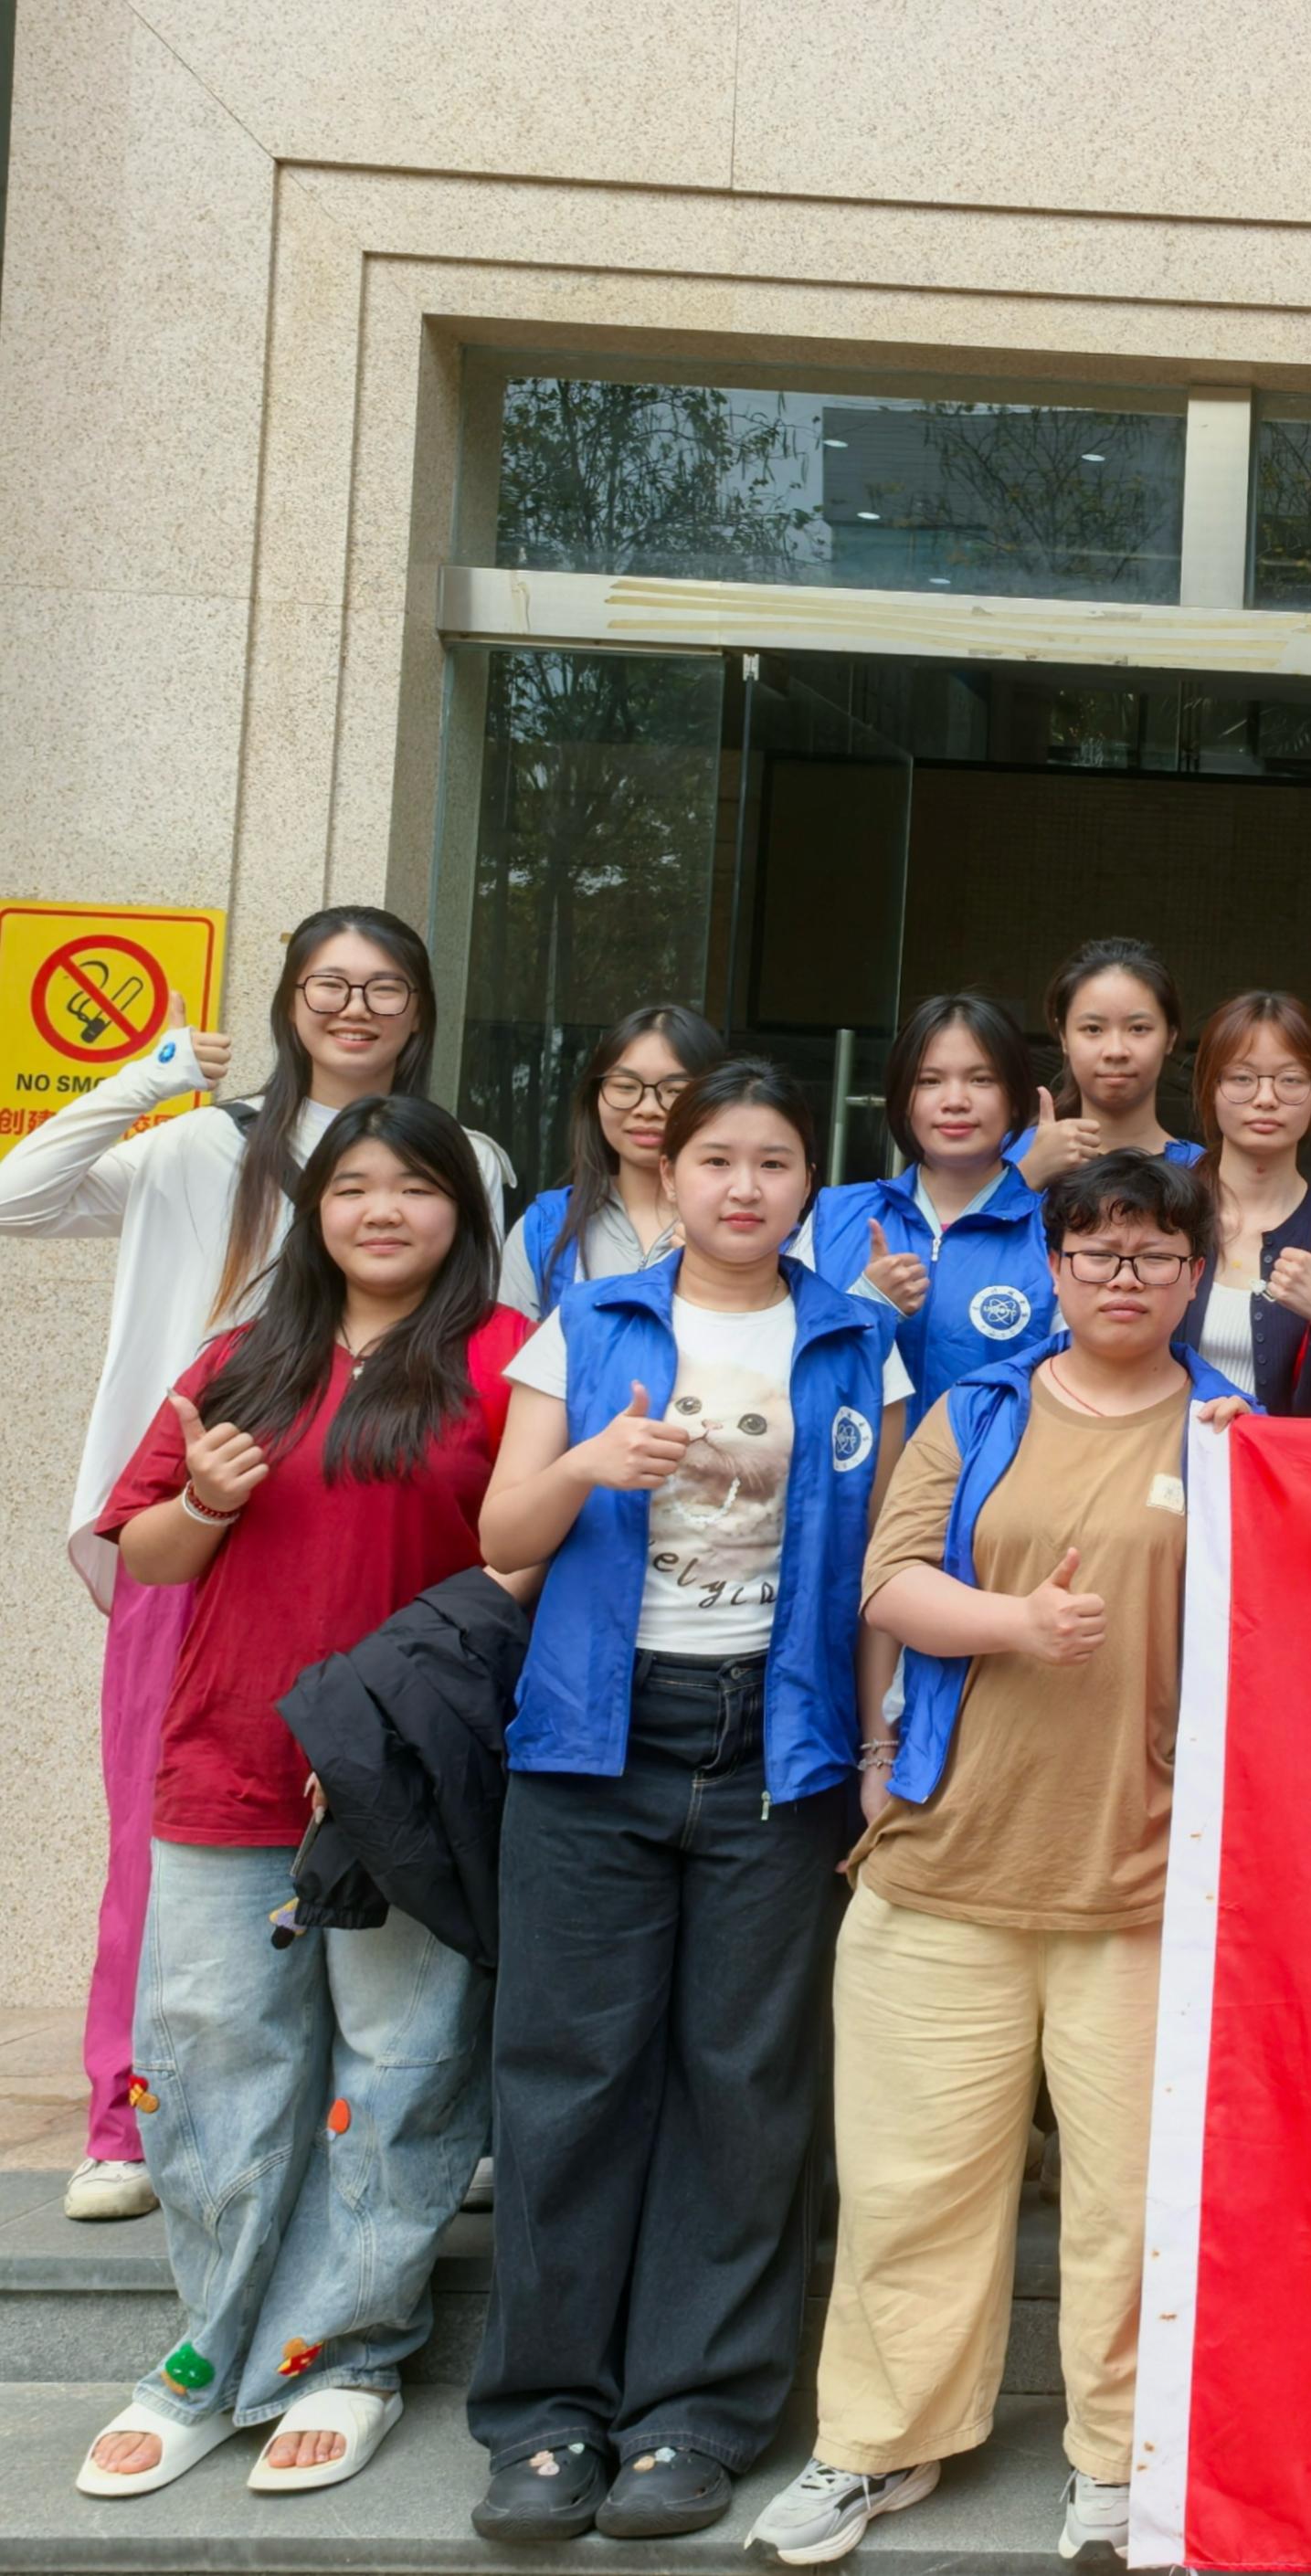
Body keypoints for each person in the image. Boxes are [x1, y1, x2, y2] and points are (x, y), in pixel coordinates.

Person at [749, 1154, 1251, 2571]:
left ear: (1193, 1277)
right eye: (1096, 1252)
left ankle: (1118, 2459)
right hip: (944, 1863)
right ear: (1053, 1267)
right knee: (910, 2184)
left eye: (1154, 1255)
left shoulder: (1235, 1436)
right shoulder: (977, 1409)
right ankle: (877, 2442)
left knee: (1128, 2204)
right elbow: (889, 1582)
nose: (1123, 1278)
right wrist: (1014, 1624)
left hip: (1140, 1884)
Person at [0, 906, 509, 2225]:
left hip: (381, 1522)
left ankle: (367, 2128)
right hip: (201, 1521)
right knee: (169, 1828)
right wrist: (154, 1075)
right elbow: (18, 1196)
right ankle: (124, 2118)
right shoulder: (201, 1146)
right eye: (329, 984)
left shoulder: (460, 1161)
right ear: (288, 1000)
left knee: (391, 1817)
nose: (355, 1008)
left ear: (419, 1009)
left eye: (384, 987)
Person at [467, 1060, 912, 2544]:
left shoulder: (857, 1339)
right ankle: (545, 2419)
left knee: (745, 2085)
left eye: (774, 1162)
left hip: (778, 1748)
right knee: (570, 2077)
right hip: (595, 1738)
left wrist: (870, 1748)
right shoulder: (589, 1323)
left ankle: (694, 2416)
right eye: (717, 1159)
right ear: (670, 1173)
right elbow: (501, 1534)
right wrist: (590, 1465)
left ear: (809, 1184)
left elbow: (876, 1573)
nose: (743, 1187)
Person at [70, 1098, 527, 2500]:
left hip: (408, 1782)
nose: (383, 1211)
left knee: (397, 2072)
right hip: (229, 1765)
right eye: (354, 1187)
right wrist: (206, 1498)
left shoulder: (508, 1359)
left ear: (463, 1215)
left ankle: (346, 2355)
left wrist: (377, 1720)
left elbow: (528, 1560)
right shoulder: (240, 1359)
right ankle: (206, 2352)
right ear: (315, 1212)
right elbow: (149, 1555)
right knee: (213, 2068)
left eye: (416, 1187)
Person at [816, 994, 1057, 1406]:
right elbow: (787, 1369)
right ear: (902, 1100)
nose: (955, 1101)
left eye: (981, 1079)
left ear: (1016, 1099)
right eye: (929, 1081)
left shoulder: (1059, 1231)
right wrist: (868, 1304)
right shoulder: (834, 1215)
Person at [1175, 989, 1311, 1417]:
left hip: (1280, 1460)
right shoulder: (1163, 1212)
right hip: (1159, 1453)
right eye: (1242, 1078)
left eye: (1290, 1080)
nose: (1266, 1098)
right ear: (1210, 1088)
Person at [501, 1005, 724, 1321]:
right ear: (595, 1096)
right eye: (625, 1087)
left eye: (675, 1090)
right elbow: (510, 1350)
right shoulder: (543, 1228)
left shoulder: (754, 1229)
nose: (648, 1108)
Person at [1013, 938, 1201, 1185]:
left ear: (1170, 1037)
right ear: (1064, 1037)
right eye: (1093, 1029)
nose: (1115, 1051)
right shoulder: (1004, 1157)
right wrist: (1029, 1173)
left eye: (1138, 1028)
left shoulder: (1204, 1172)